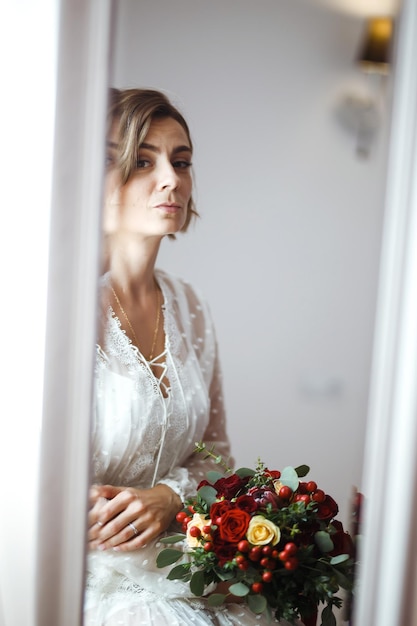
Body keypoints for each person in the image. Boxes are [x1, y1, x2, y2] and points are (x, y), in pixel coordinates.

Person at [84, 88, 293, 626]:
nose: (172, 179)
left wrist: (167, 496)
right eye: (143, 160)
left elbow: (215, 455)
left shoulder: (189, 305)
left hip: (180, 559)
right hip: (80, 572)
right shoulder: (55, 307)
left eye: (181, 162)